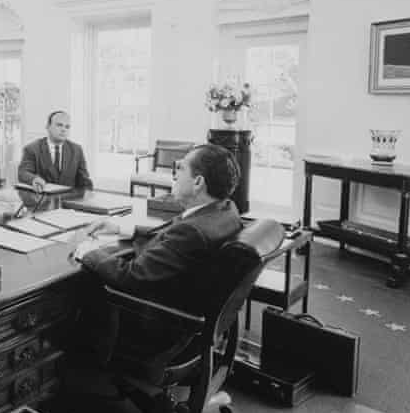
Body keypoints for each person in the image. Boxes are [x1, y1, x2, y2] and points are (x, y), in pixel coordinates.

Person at [79, 143, 243, 311]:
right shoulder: (225, 209)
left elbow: (130, 276)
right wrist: (123, 229)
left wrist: (87, 251)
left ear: (198, 182)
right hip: (188, 295)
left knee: (82, 290)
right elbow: (171, 237)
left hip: (159, 316)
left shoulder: (191, 232)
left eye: (180, 168)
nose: (175, 176)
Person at [18, 110, 93, 192]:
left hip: (69, 200)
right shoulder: (32, 149)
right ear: (48, 126)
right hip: (42, 200)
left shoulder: (77, 150)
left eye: (67, 127)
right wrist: (34, 179)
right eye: (59, 125)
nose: (63, 129)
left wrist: (89, 195)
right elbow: (23, 173)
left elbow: (84, 180)